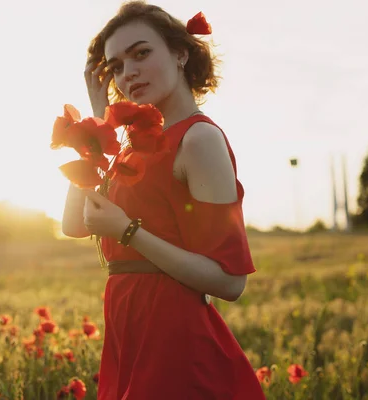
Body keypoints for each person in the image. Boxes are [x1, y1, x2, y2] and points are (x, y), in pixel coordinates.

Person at [61, 1, 266, 399]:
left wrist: (127, 231)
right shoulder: (131, 146)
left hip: (176, 345)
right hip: (128, 335)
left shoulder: (198, 139)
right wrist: (99, 126)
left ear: (180, 52)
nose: (128, 73)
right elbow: (73, 224)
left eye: (141, 53)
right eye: (116, 66)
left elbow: (229, 280)